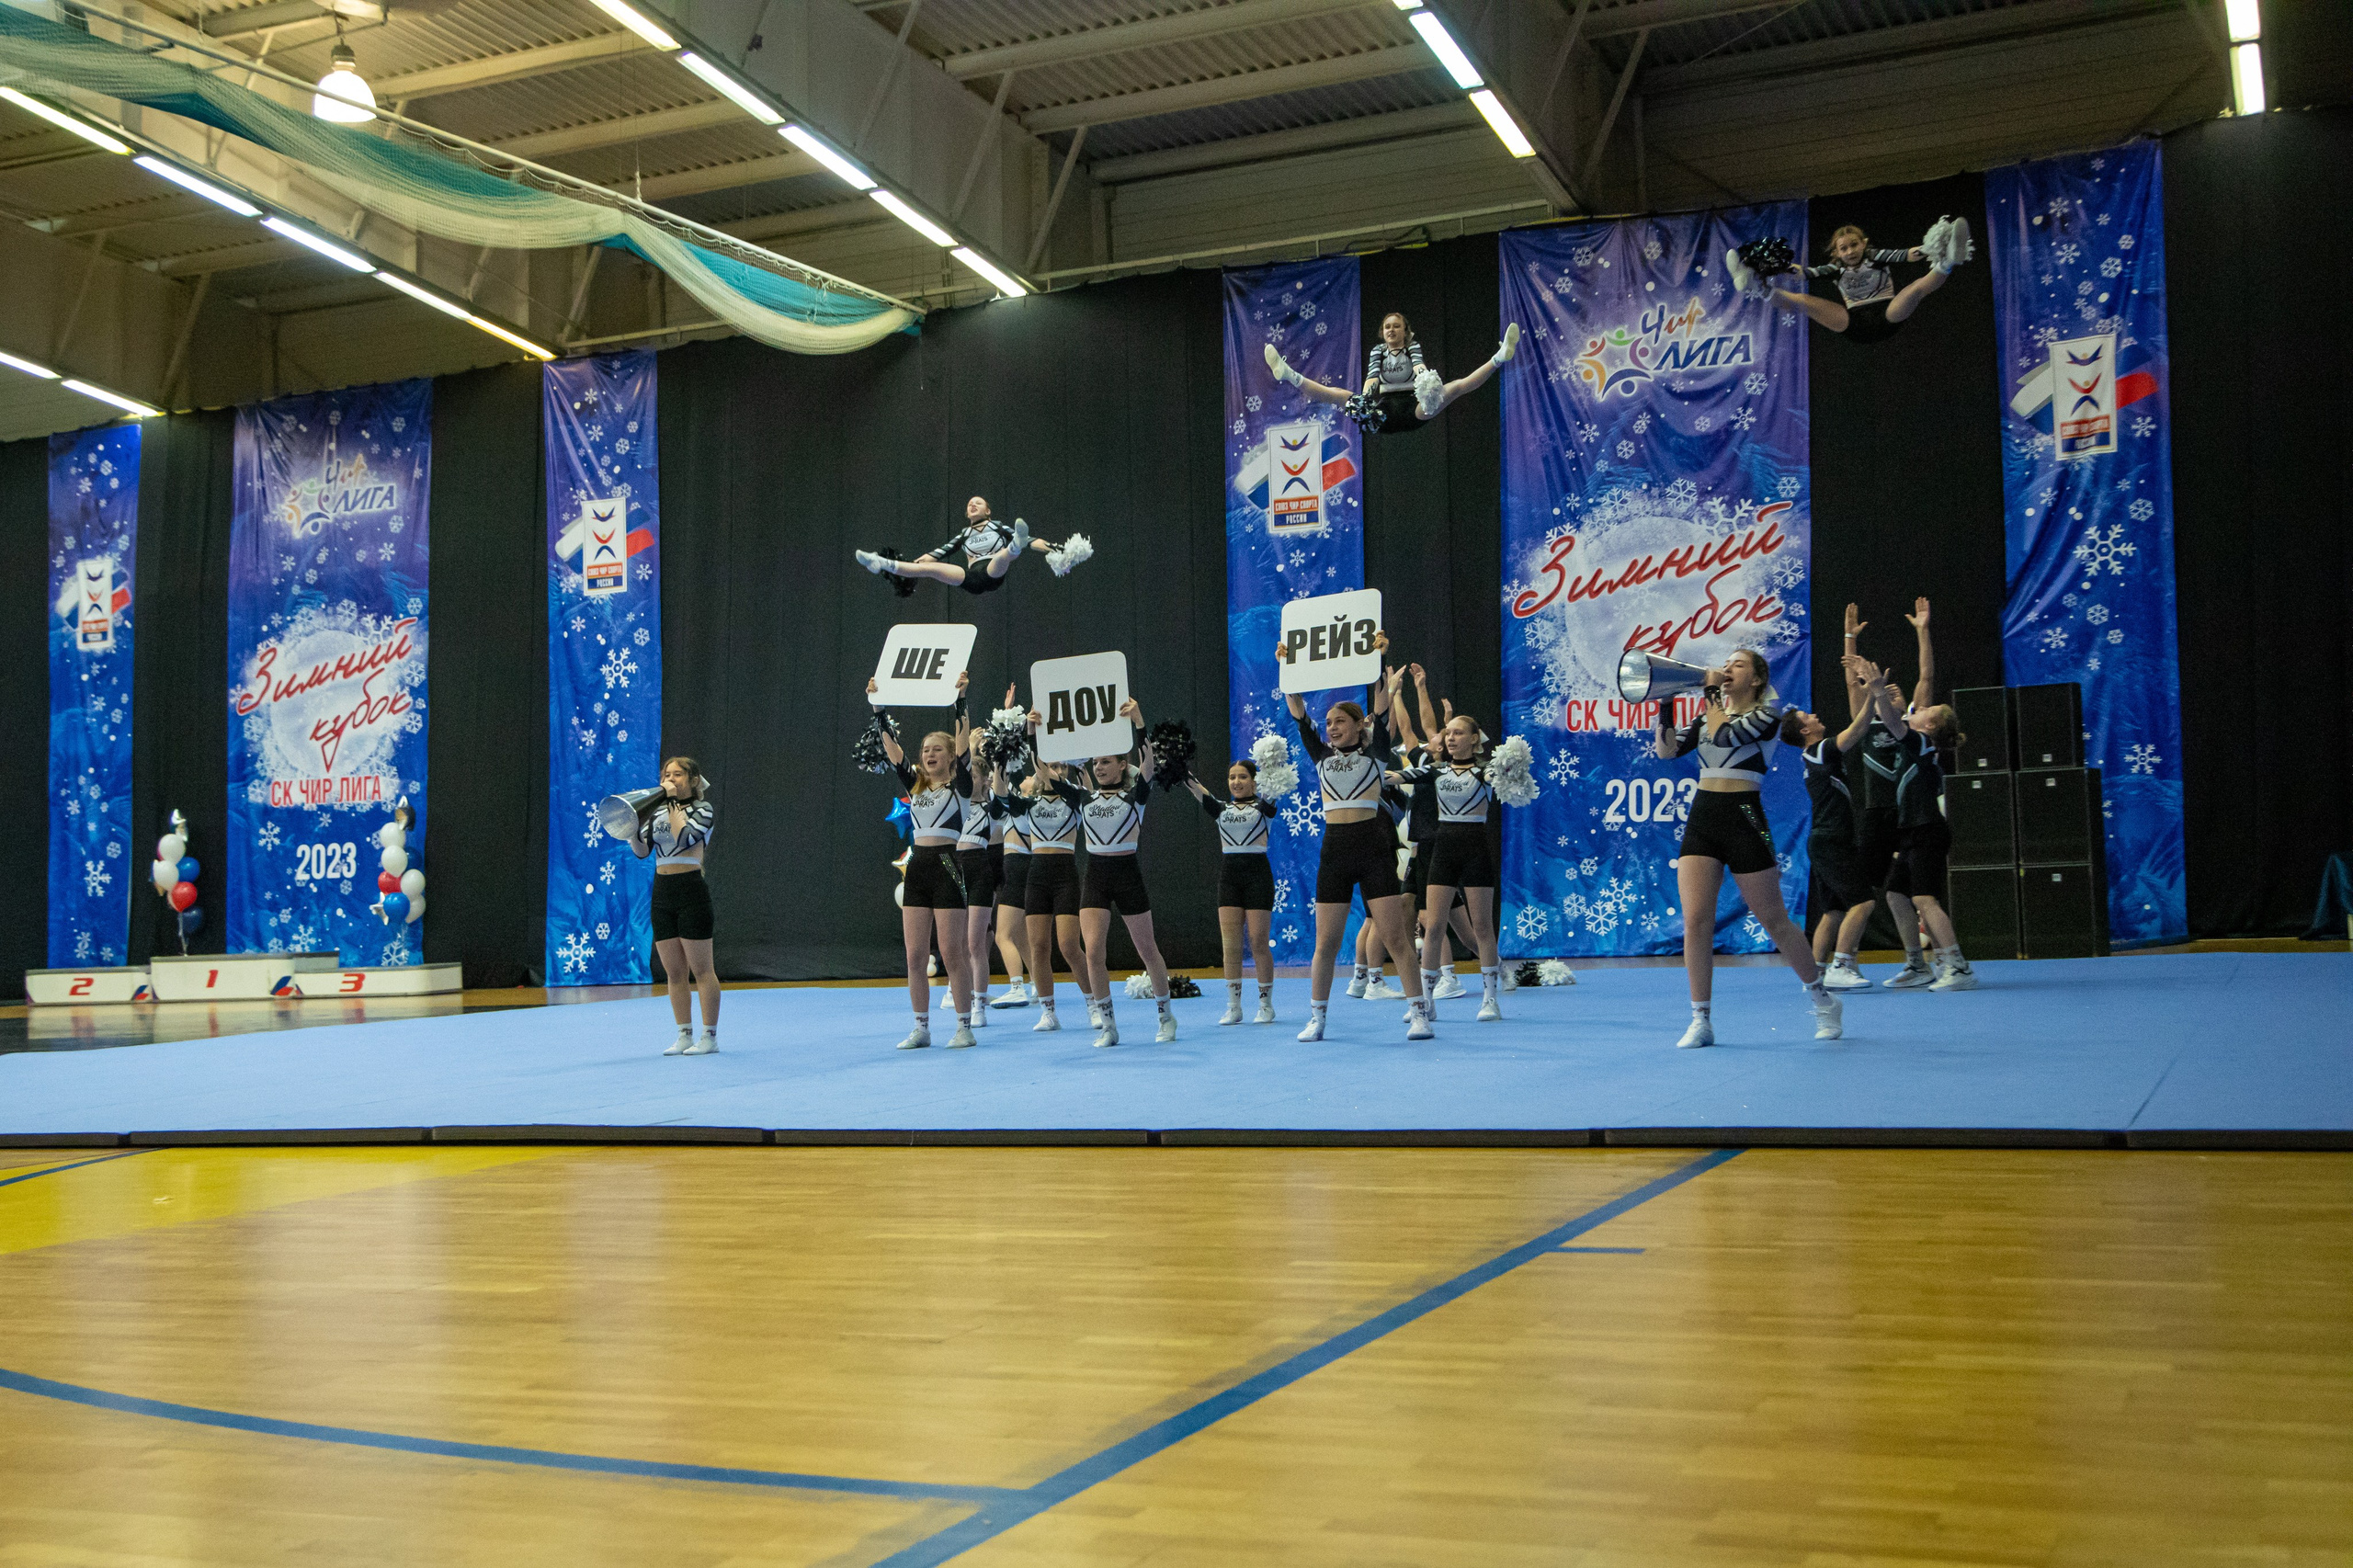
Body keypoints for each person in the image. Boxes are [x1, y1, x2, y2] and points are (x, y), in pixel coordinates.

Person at [1651, 650, 1842, 1048]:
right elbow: (1666, 751)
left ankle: (1822, 999)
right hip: (1703, 817)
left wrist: (1710, 693)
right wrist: (1665, 704)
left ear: (1756, 680)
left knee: (1774, 920)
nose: (1727, 669)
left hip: (1745, 817)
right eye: (1727, 664)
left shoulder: (1768, 715)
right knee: (1696, 921)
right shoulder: (1706, 717)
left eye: (1738, 665)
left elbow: (1727, 737)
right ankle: (1700, 1018)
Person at [1276, 638, 1433, 1042]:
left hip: (1372, 849)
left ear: (1359, 724)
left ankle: (1419, 1013)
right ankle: (1317, 1018)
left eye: (1339, 722)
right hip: (1335, 852)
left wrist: (1380, 655)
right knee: (1325, 943)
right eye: (1328, 723)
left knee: (1395, 937)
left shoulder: (1376, 753)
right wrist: (1287, 667)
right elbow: (1299, 714)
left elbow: (1381, 707)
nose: (1331, 727)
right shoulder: (1321, 755)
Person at [868, 673, 976, 1050]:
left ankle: (963, 1025)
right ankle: (921, 1027)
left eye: (938, 749)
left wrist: (961, 700)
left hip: (947, 866)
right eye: (926, 749)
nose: (930, 754)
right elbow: (893, 751)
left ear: (950, 756)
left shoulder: (960, 788)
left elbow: (965, 746)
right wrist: (878, 708)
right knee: (915, 955)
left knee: (952, 952)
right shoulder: (915, 786)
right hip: (918, 869)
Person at [1865, 651, 1978, 992]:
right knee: (1896, 895)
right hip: (1911, 831)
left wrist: (1879, 692)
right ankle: (1917, 965)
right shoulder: (1912, 742)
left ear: (1930, 726)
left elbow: (1893, 722)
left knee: (1924, 899)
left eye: (1927, 710)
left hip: (1928, 831)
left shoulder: (1922, 743)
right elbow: (1901, 710)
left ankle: (1959, 967)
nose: (1920, 707)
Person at [1392, 711, 1509, 1022]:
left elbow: (1505, 778)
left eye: (1458, 733)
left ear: (1474, 739)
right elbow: (1399, 777)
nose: (1451, 738)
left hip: (1475, 849)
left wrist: (1510, 769)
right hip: (1442, 851)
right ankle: (1426, 1001)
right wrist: (1374, 772)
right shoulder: (1436, 770)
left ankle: (1490, 999)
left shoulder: (1485, 771)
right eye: (1448, 733)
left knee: (1482, 926)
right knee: (1433, 927)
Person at [1264, 312, 1519, 437]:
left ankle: (1500, 356)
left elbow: (1419, 367)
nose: (1391, 330)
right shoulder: (1378, 351)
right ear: (1382, 332)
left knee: (1453, 388)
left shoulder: (1412, 348)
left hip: (1414, 410)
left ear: (1405, 331)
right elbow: (1372, 378)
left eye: (1396, 326)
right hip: (1383, 413)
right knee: (1339, 395)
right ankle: (1288, 373)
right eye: (1387, 326)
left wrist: (1427, 381)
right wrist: (1365, 398)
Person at [1726, 219, 1972, 345]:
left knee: (1915, 289)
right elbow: (1803, 274)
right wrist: (1778, 266)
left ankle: (1948, 260)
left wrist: (1931, 247)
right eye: (1844, 248)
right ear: (1837, 252)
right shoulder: (1835, 269)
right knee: (1803, 301)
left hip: (1888, 315)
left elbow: (1908, 254)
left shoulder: (1876, 256)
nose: (1850, 251)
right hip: (1853, 324)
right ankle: (1757, 286)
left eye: (1854, 245)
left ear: (1864, 244)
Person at [1794, 643, 1881, 992]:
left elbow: (1853, 714)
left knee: (1833, 911)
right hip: (1831, 840)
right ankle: (1841, 966)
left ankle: (1814, 973)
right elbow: (1858, 730)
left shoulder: (1813, 755)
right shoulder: (1820, 749)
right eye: (1807, 717)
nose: (1814, 715)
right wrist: (1874, 693)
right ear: (1805, 731)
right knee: (1864, 902)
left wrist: (1849, 645)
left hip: (1824, 840)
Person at [631, 756, 720, 1056]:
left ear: (693, 780)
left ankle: (709, 1036)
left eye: (677, 775)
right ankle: (684, 1033)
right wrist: (631, 829)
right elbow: (642, 851)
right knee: (674, 971)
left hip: (691, 891)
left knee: (702, 970)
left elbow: (685, 837)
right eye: (666, 775)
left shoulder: (703, 809)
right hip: (663, 893)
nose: (670, 779)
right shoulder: (656, 813)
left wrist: (670, 802)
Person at [1182, 759, 1279, 1025]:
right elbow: (1194, 787)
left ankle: (1265, 1005)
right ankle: (1234, 1006)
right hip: (1229, 879)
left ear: (1254, 781)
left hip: (1258, 877)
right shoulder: (1221, 809)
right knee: (1231, 945)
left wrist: (1273, 764)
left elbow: (1274, 782)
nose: (1236, 782)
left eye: (1243, 777)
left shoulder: (1265, 806)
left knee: (1258, 942)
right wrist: (1178, 766)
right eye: (1232, 777)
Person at [852, 495, 1060, 594]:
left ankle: (1016, 545)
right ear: (967, 514)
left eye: (978, 503)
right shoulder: (964, 535)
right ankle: (879, 563)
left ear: (988, 511)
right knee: (929, 569)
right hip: (972, 577)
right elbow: (937, 553)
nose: (973, 504)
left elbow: (1034, 541)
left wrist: (1057, 549)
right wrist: (914, 566)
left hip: (994, 572)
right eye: (970, 504)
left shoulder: (997, 527)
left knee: (1003, 555)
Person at [1017, 761, 1090, 1036]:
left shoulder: (1074, 800)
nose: (1057, 771)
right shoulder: (1029, 803)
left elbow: (1089, 794)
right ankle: (1048, 1012)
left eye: (1062, 767)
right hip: (1036, 876)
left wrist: (1081, 765)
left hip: (1065, 875)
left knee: (1069, 945)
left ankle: (1094, 1003)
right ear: (1039, 768)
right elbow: (1000, 798)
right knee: (1038, 946)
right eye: (1051, 766)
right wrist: (1002, 763)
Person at [985, 756, 1034, 1010]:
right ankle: (1037, 983)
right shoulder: (1024, 806)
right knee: (1021, 933)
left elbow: (1000, 791)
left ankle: (1017, 987)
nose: (1026, 778)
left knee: (1002, 935)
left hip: (1018, 870)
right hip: (1021, 869)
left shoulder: (1024, 806)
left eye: (1030, 779)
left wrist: (999, 761)